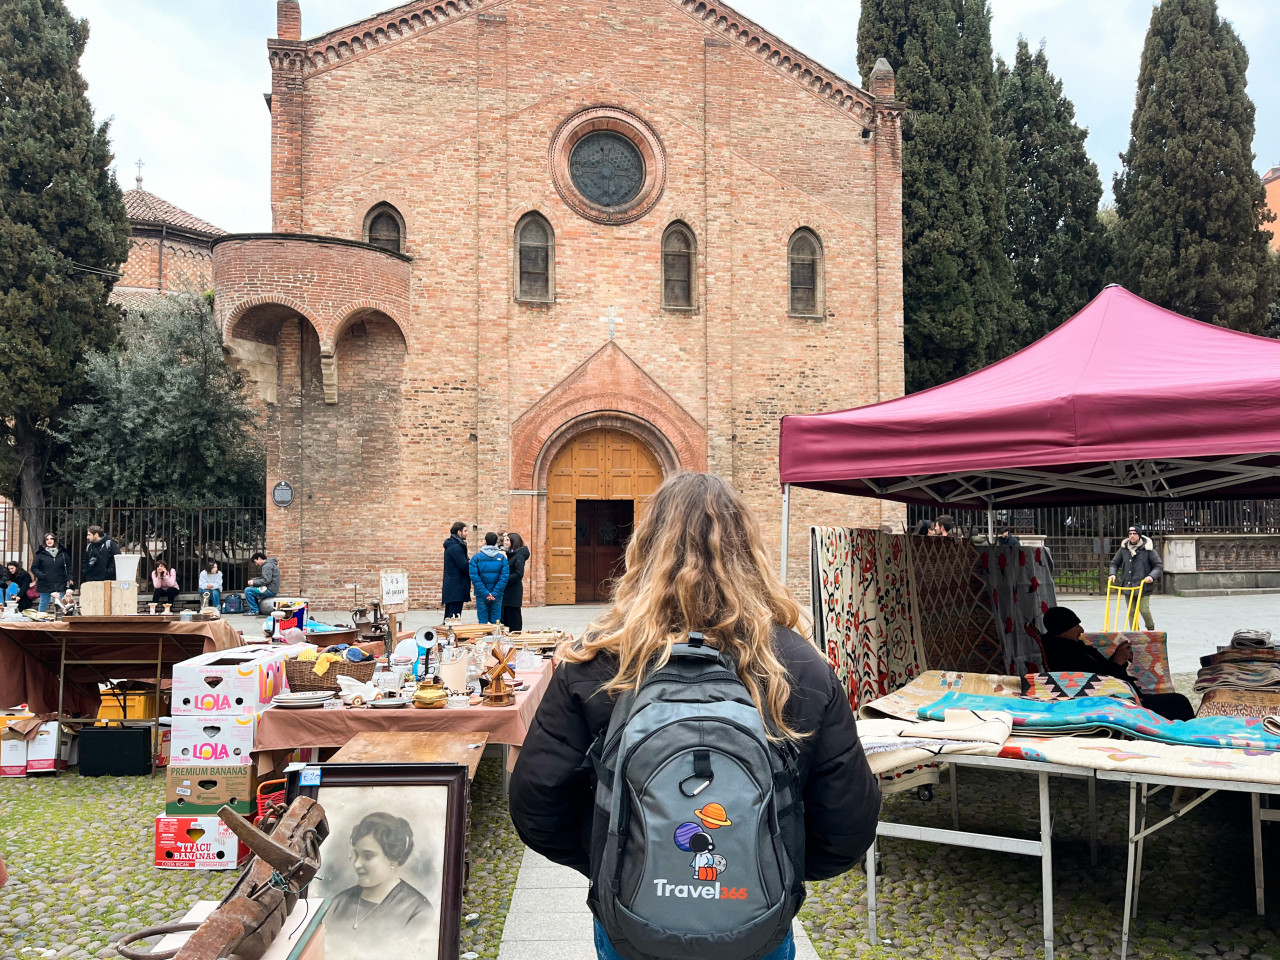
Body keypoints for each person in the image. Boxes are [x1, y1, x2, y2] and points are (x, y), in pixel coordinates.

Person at [509, 472, 881, 960]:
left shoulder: (598, 660)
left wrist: (616, 857)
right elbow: (848, 821)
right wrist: (765, 859)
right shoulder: (799, 663)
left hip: (633, 920)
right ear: (749, 548)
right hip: (756, 921)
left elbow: (537, 802)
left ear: (644, 547)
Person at [1040, 606, 1193, 721]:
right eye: (1075, 626)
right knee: (1178, 702)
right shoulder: (1065, 653)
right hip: (1111, 703)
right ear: (1062, 630)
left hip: (1116, 695)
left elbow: (1098, 673)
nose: (1081, 630)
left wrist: (1118, 658)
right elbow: (1099, 683)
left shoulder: (1071, 646)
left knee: (1176, 700)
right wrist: (1118, 662)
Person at [326, 812, 436, 955]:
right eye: (356, 855)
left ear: (392, 858)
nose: (357, 864)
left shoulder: (417, 910)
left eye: (368, 856)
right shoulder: (339, 902)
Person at [1109, 525, 1162, 630]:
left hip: (1143, 586)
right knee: (1131, 611)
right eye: (1130, 534)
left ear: (1139, 535)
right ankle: (1135, 632)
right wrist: (1112, 573)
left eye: (1134, 534)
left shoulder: (1148, 549)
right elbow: (1114, 563)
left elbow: (1158, 565)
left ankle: (1151, 628)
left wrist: (1151, 576)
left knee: (1144, 610)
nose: (1132, 536)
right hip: (1128, 585)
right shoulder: (1124, 549)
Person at [469, 532, 509, 625]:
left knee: (483, 620)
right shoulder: (502, 558)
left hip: (481, 594)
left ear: (485, 542)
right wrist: (495, 593)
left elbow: (474, 577)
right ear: (495, 543)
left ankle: (484, 638)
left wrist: (485, 593)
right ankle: (495, 638)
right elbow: (504, 577)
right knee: (496, 620)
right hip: (497, 594)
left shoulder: (476, 558)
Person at [30, 533, 73, 612]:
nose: (49, 541)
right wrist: (42, 576)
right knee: (44, 602)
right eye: (47, 539)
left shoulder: (63, 553)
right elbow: (34, 568)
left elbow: (68, 567)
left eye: (51, 539)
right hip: (45, 582)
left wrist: (70, 577)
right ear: (44, 541)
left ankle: (61, 620)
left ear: (54, 540)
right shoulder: (40, 554)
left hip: (60, 581)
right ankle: (40, 619)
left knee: (61, 602)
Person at [501, 532, 530, 632]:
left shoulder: (519, 556)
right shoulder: (510, 554)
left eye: (508, 540)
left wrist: (505, 579)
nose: (505, 542)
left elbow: (519, 573)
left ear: (514, 541)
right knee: (507, 614)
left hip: (513, 590)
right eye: (505, 540)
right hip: (507, 589)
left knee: (513, 615)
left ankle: (516, 634)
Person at [442, 522, 471, 619]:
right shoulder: (456, 547)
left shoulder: (452, 545)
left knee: (450, 618)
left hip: (453, 588)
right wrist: (469, 562)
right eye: (465, 531)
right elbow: (464, 566)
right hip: (456, 588)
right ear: (459, 532)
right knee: (453, 619)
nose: (467, 533)